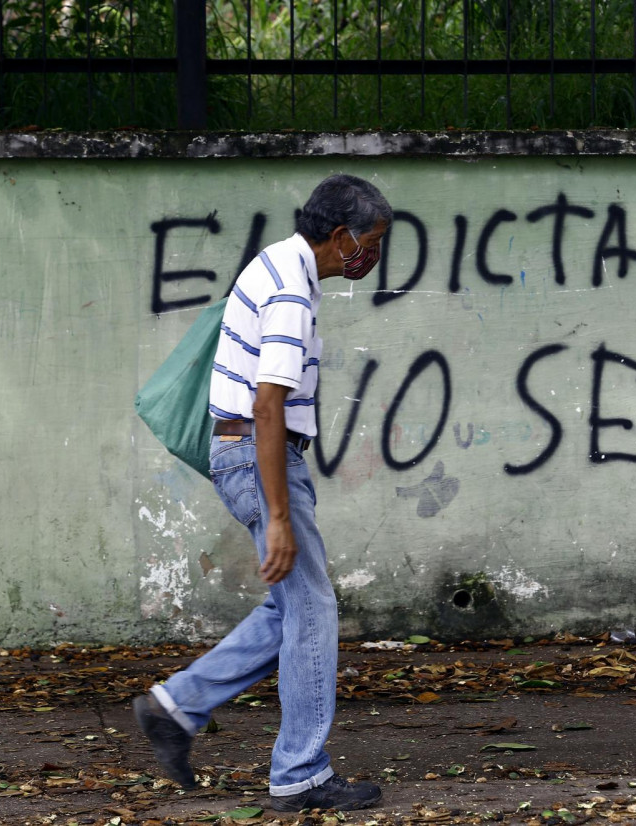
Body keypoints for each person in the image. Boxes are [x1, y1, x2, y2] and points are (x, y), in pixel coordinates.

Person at [134, 174, 392, 813]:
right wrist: (279, 514)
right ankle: (300, 773)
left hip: (247, 454)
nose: (374, 256)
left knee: (290, 609)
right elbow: (268, 405)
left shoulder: (279, 265)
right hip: (257, 454)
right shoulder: (290, 294)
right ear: (340, 236)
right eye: (373, 242)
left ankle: (175, 707)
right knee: (314, 610)